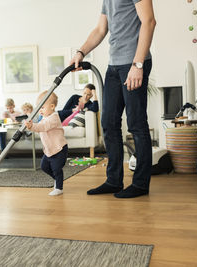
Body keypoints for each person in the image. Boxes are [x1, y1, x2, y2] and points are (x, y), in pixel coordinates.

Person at [69, 0, 156, 198]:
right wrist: (81, 52)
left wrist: (138, 64)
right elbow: (100, 29)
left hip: (134, 63)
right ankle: (114, 180)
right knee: (108, 122)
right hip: (114, 66)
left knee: (136, 124)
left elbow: (149, 21)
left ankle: (141, 184)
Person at [25, 91, 68, 196]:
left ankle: (59, 187)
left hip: (59, 149)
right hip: (49, 150)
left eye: (42, 107)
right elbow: (40, 126)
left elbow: (43, 127)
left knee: (57, 168)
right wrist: (32, 125)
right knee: (44, 166)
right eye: (39, 107)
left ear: (52, 106)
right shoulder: (44, 118)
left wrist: (32, 126)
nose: (40, 110)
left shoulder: (54, 118)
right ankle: (58, 180)